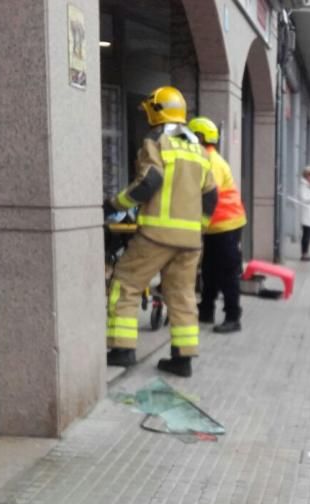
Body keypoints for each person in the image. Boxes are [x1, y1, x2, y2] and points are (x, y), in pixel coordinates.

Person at [106, 86, 218, 377]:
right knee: (181, 296)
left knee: (126, 283)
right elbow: (211, 196)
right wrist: (198, 230)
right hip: (190, 241)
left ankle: (122, 349)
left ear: (156, 111)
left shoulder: (156, 141)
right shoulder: (198, 149)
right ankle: (183, 359)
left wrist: (115, 203)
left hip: (157, 234)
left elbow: (149, 181)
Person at [189, 116, 247, 334]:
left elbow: (207, 195)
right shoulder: (207, 158)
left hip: (227, 225)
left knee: (227, 272)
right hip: (218, 226)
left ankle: (233, 316)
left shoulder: (210, 162)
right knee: (210, 269)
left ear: (199, 137)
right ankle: (206, 310)